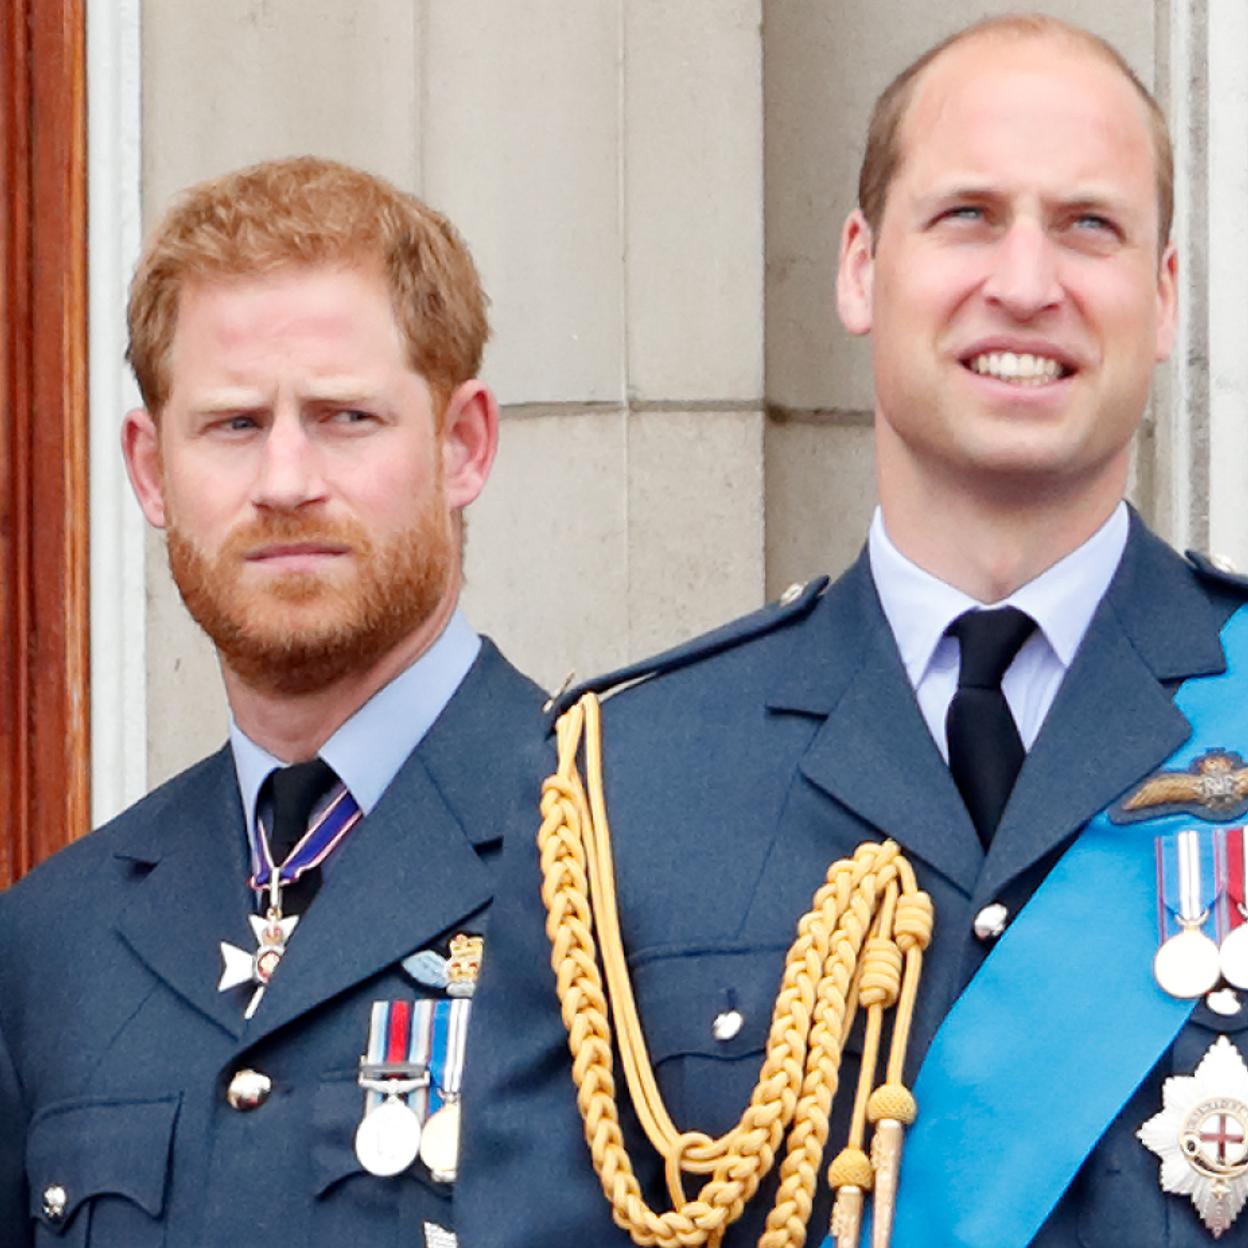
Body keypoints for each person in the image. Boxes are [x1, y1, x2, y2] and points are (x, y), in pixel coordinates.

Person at [464, 15, 1248, 1248]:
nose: (1027, 283)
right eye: (968, 216)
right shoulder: (625, 790)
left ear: (1163, 298)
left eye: (1088, 225)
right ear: (859, 267)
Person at [0, 156, 545, 1248]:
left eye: (345, 416)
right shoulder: (52, 941)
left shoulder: (621, 854)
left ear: (463, 445)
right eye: (236, 424)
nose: (287, 481)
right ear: (149, 470)